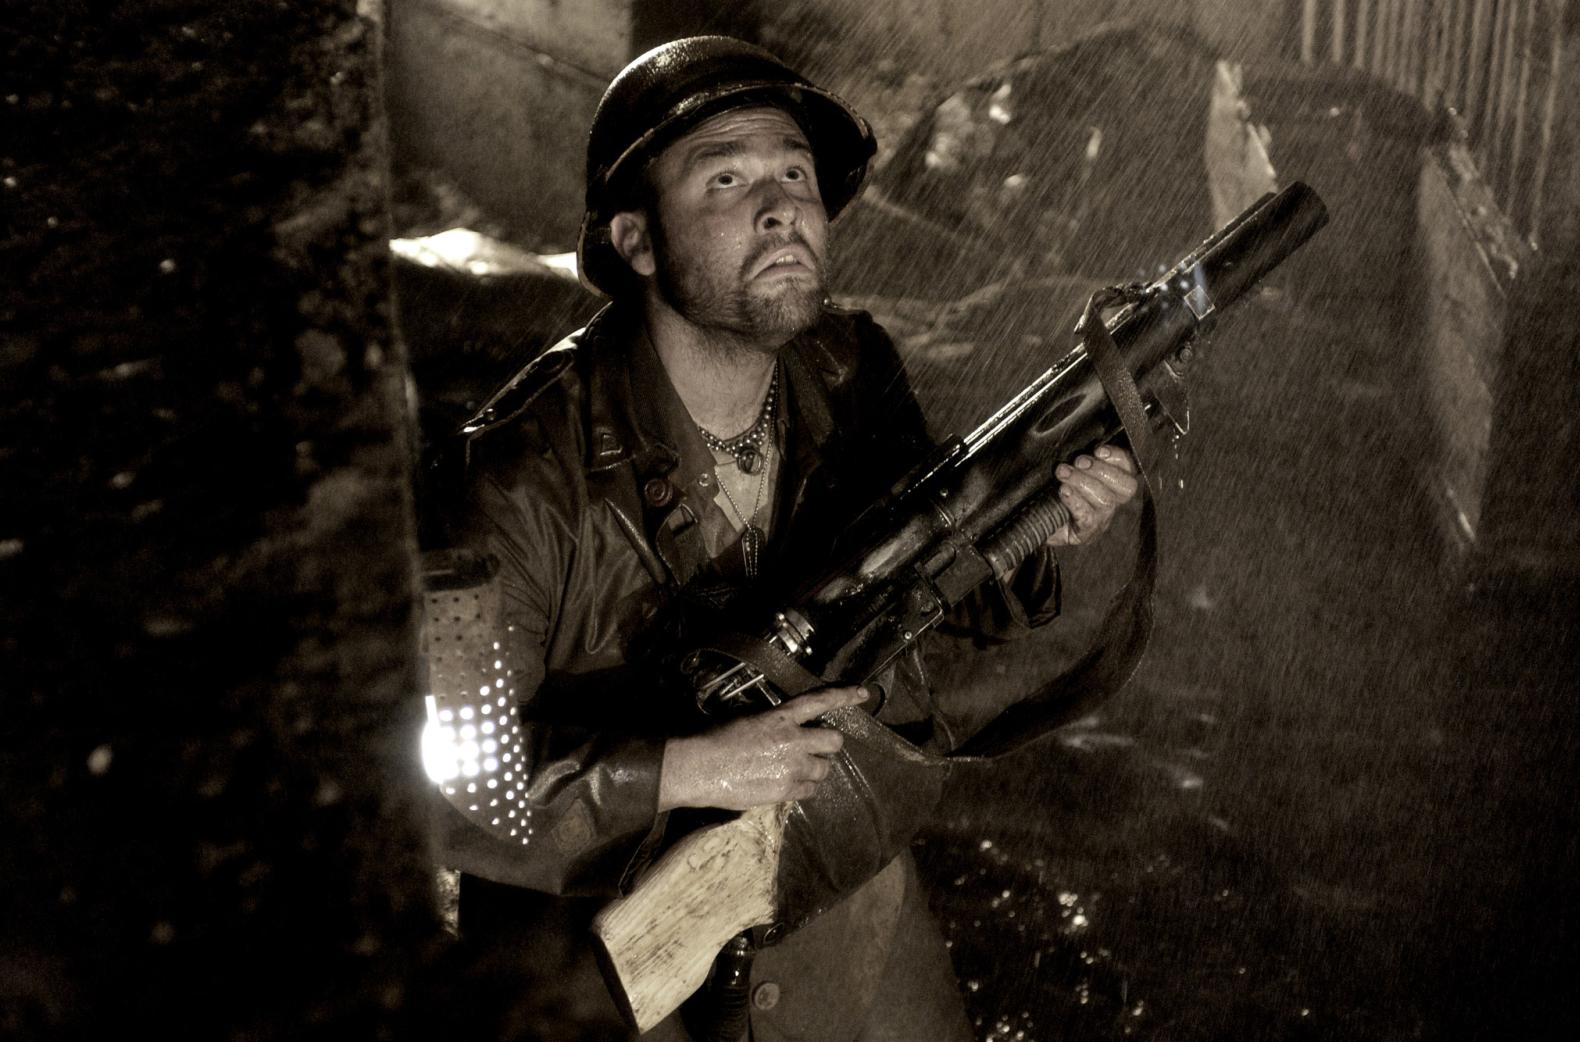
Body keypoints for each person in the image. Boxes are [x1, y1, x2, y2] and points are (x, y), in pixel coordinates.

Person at [421, 35, 1139, 1042]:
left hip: (815, 857)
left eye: (795, 174)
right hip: (591, 922)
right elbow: (449, 786)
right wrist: (690, 770)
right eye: (726, 178)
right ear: (637, 242)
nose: (780, 207)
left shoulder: (851, 374)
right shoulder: (508, 476)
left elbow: (930, 600)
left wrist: (1047, 526)